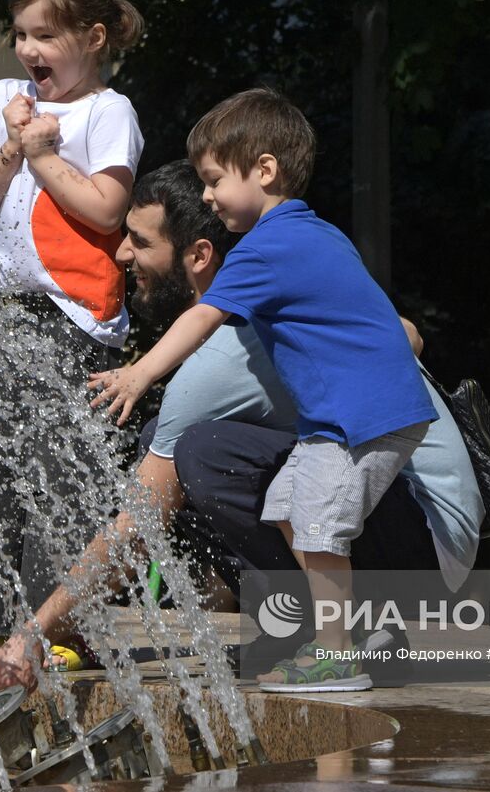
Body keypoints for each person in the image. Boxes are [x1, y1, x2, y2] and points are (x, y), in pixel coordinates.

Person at [0, 161, 481, 694]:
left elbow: (139, 524)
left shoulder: (225, 355)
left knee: (202, 455)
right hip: (398, 514)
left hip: (425, 541)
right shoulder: (286, 291)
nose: (122, 254)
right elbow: (409, 335)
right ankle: (305, 623)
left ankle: (350, 630)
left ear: (198, 256)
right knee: (168, 451)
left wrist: (31, 633)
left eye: (140, 241)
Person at [89, 88, 436, 691]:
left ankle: (338, 653)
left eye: (215, 179)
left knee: (320, 527)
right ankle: (351, 630)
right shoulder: (318, 233)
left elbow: (202, 317)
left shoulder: (264, 246)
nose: (206, 195)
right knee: (284, 509)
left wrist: (140, 371)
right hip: (348, 416)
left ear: (266, 171)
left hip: (363, 418)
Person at [0, 0, 145, 636]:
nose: (28, 49)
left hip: (74, 323)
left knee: (58, 483)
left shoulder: (107, 111)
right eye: (21, 35)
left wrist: (42, 152)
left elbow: (105, 209)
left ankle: (55, 633)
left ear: (93, 39)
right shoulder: (6, 103)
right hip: (10, 314)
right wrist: (14, 146)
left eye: (44, 35)